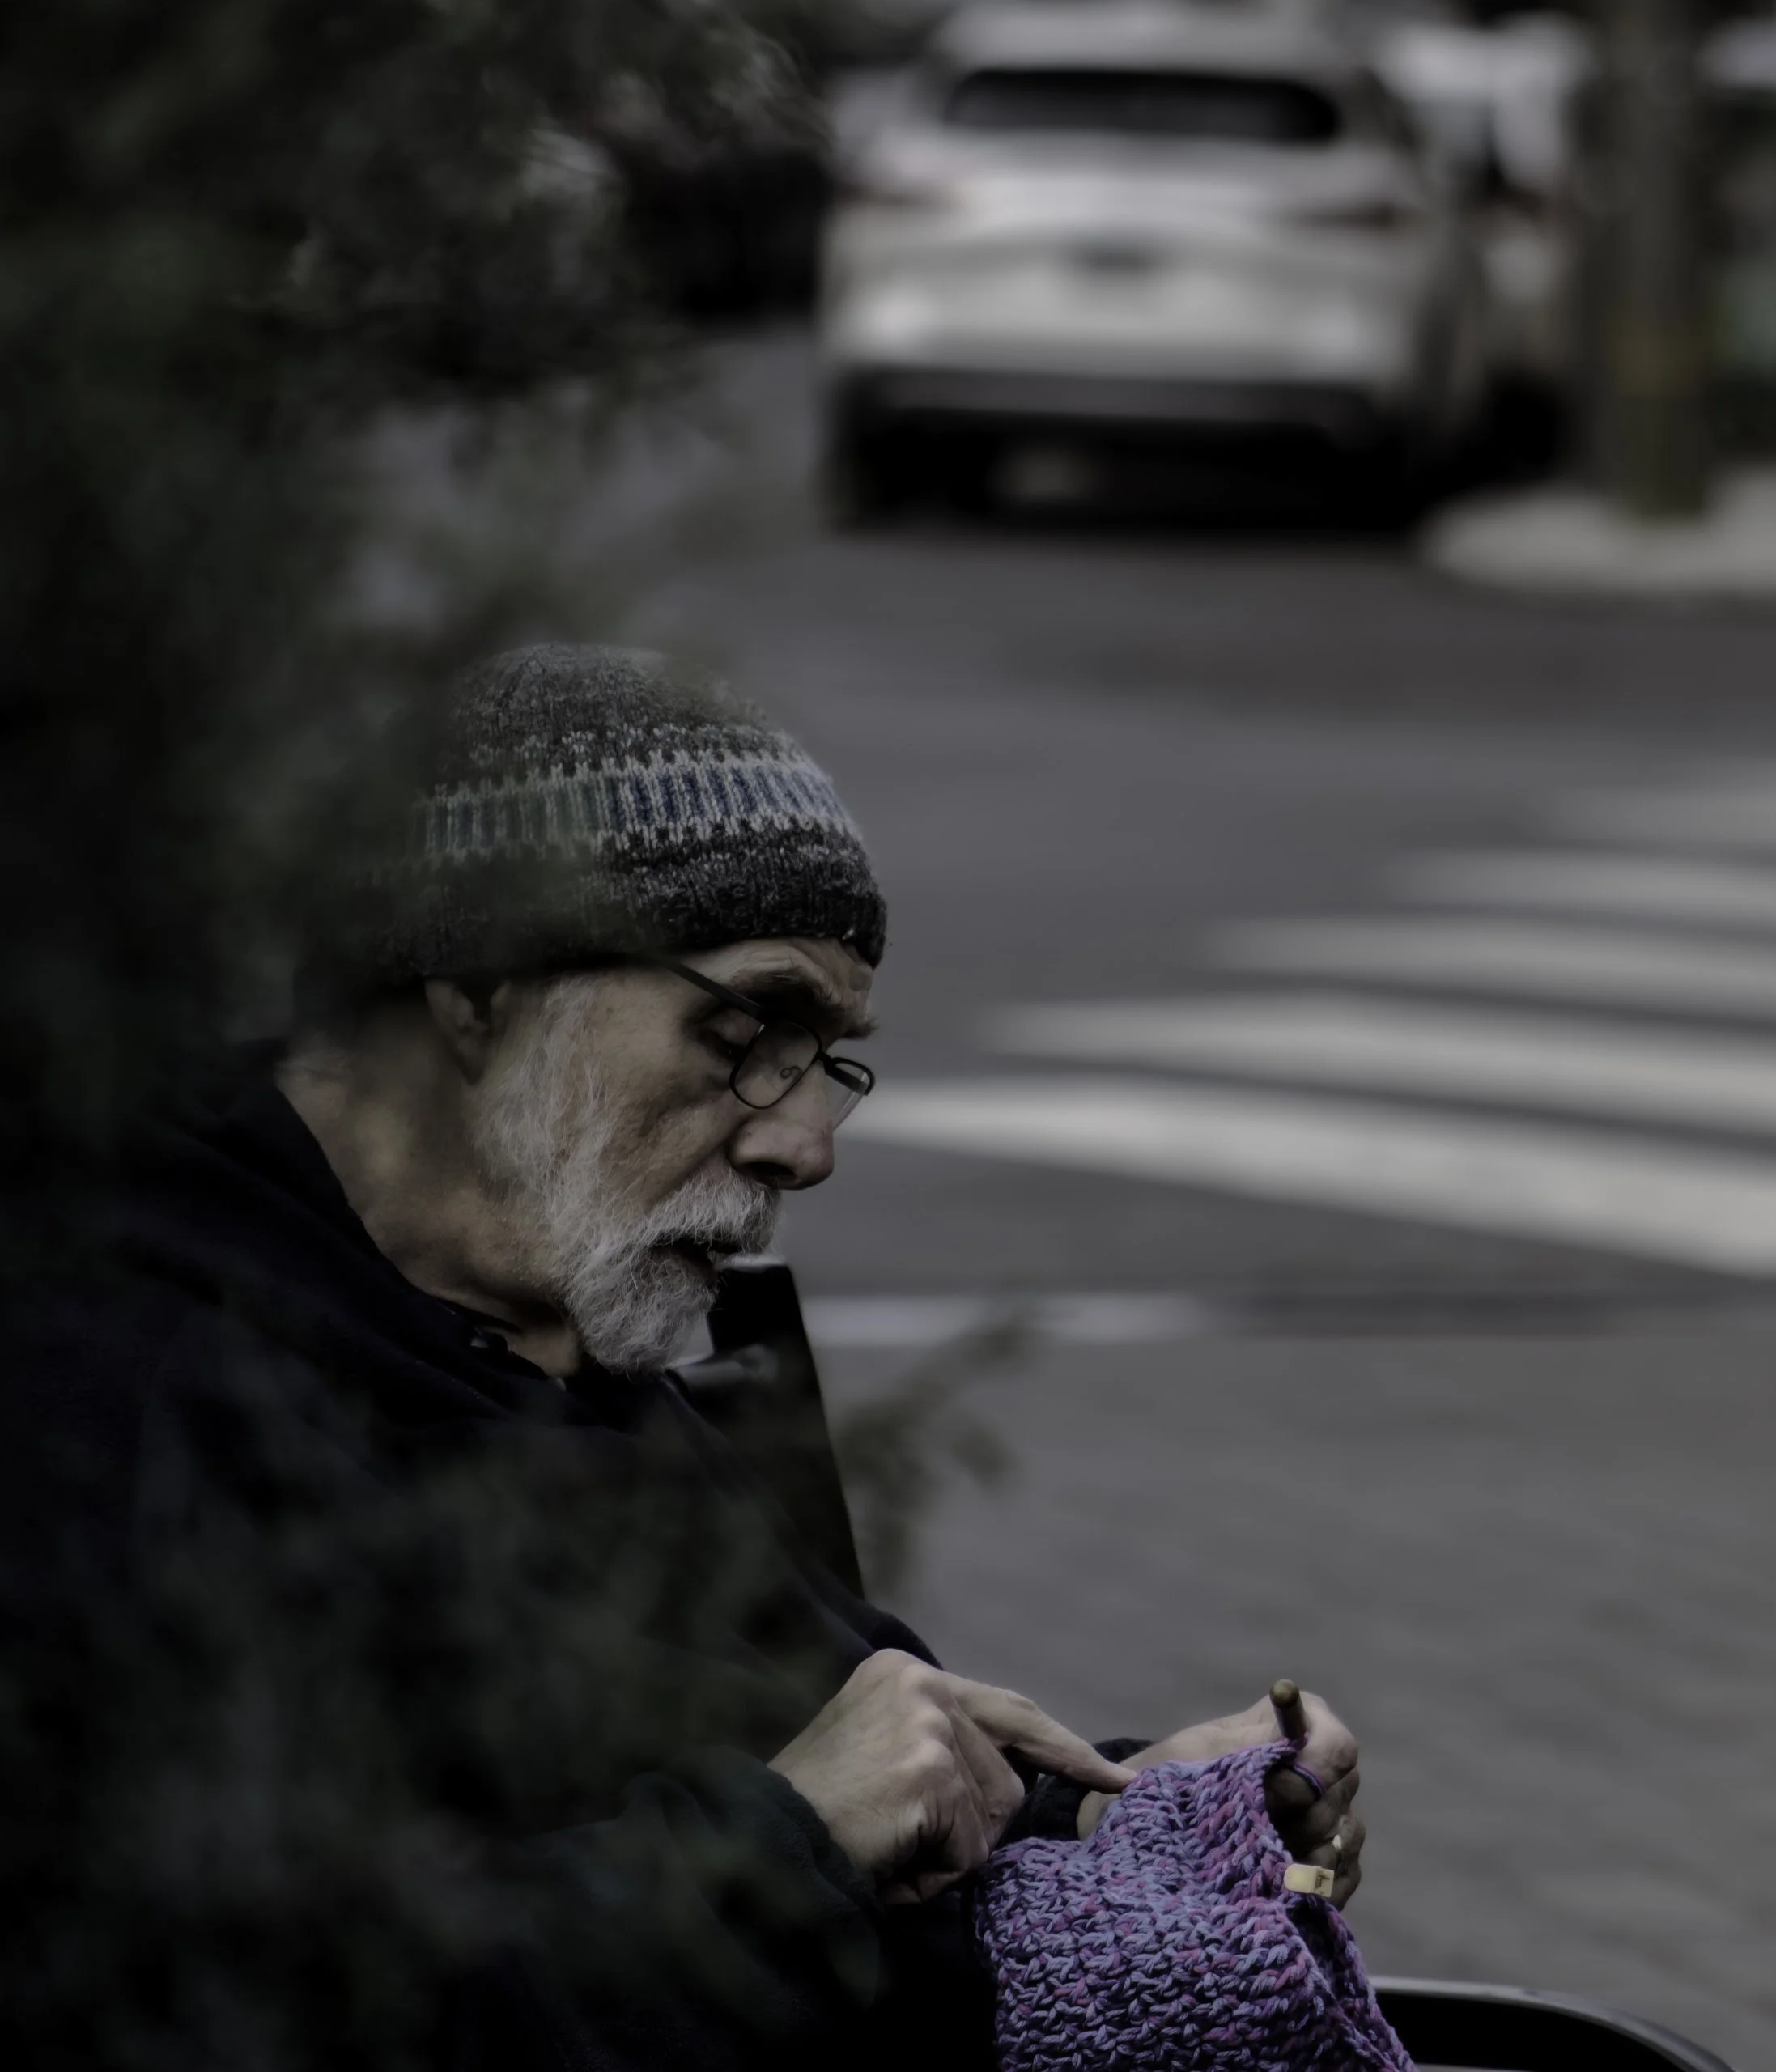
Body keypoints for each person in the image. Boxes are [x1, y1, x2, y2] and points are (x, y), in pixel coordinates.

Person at [6, 644, 1362, 2071]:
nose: (807, 1144)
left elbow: (834, 1758)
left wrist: (1104, 1805)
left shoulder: (564, 1333)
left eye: (828, 1058)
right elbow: (216, 2007)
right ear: (478, 992)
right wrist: (779, 1846)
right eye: (751, 1029)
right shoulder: (103, 1398)